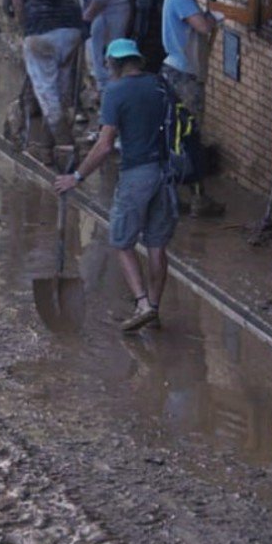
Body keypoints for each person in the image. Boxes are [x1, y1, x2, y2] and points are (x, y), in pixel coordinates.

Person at [53, 38, 178, 333]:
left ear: (115, 64)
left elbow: (105, 145)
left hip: (137, 174)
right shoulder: (160, 86)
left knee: (122, 241)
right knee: (157, 246)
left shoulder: (115, 92)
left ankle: (143, 304)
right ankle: (154, 310)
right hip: (166, 173)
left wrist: (78, 176)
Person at [5, 0, 90, 168]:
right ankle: (45, 149)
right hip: (72, 30)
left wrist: (24, 31)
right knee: (64, 93)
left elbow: (18, 5)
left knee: (47, 97)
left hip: (40, 32)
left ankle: (67, 148)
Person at [160, 0, 225, 218]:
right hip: (183, 76)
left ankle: (176, 194)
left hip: (178, 71)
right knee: (188, 135)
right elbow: (202, 26)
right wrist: (212, 20)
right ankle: (195, 197)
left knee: (179, 134)